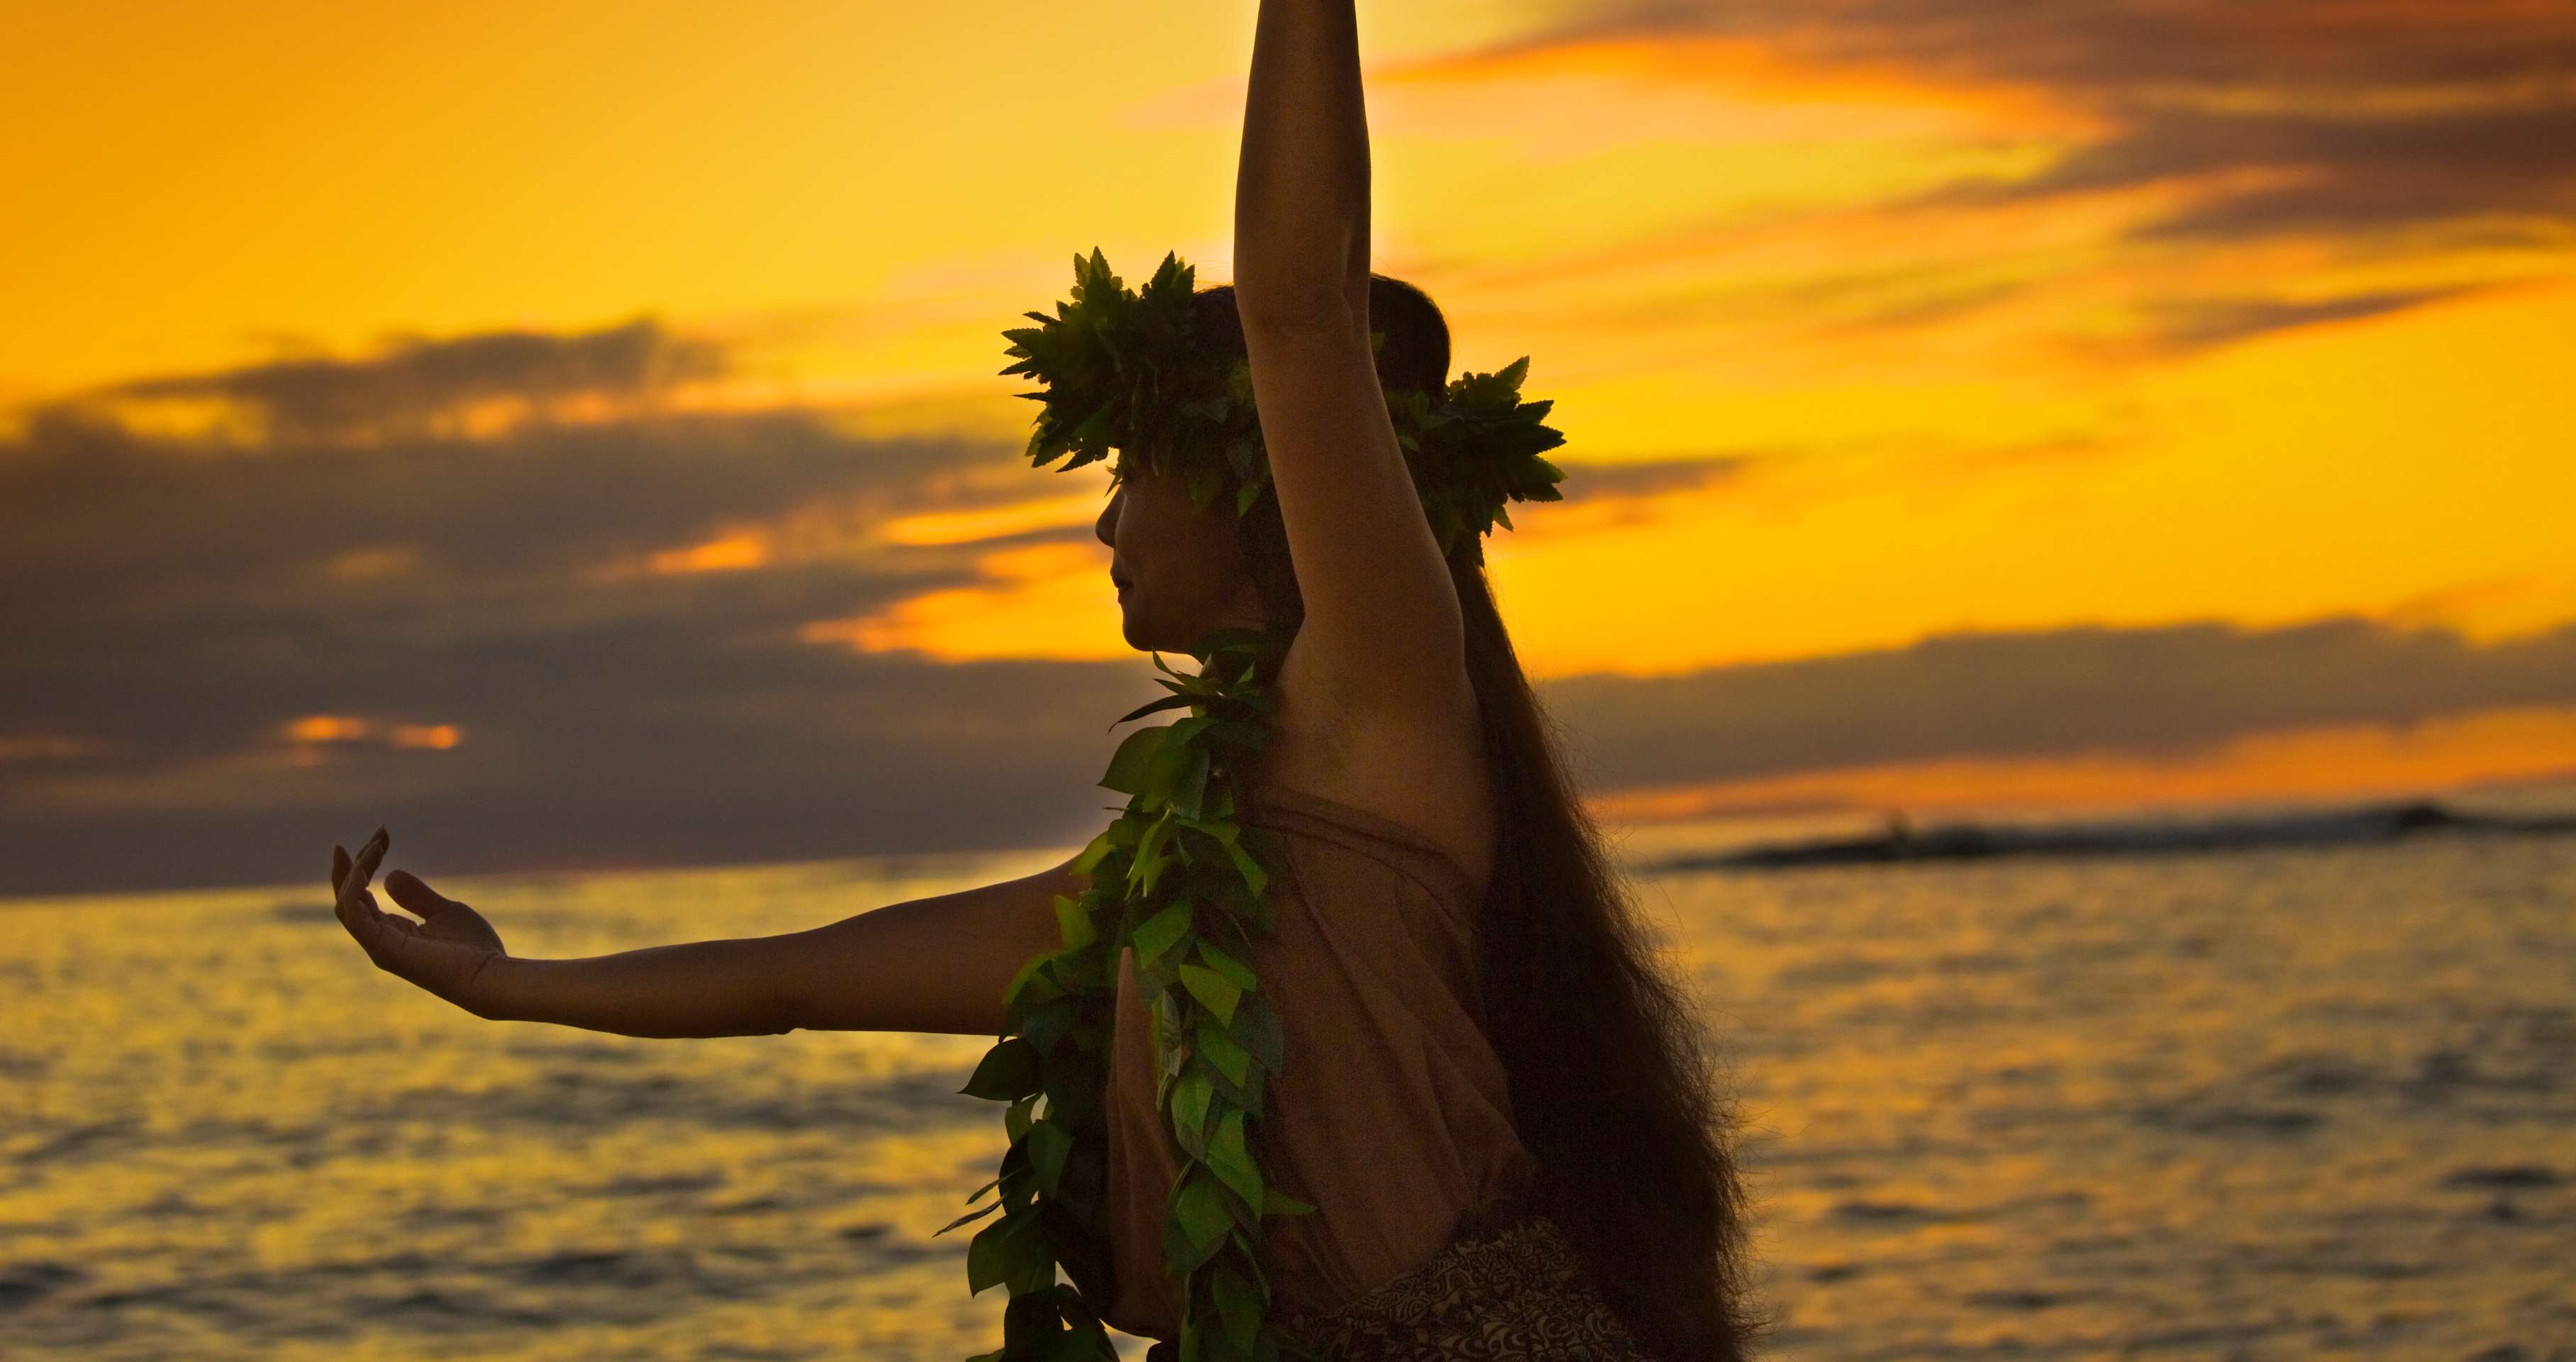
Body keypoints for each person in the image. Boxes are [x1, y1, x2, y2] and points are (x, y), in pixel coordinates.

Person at [331, 3, 1760, 1357]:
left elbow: (1301, 308)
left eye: (1132, 472)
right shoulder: (1164, 878)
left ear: (1248, 471)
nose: (1105, 523)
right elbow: (793, 980)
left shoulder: (1384, 699)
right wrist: (511, 989)